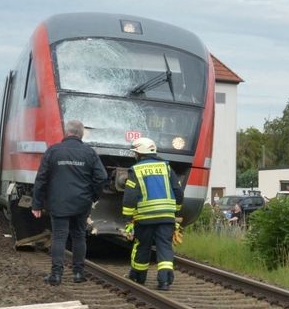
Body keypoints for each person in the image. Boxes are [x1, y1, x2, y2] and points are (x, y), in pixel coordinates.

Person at [30, 119, 107, 285]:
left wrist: (37, 204)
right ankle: (78, 274)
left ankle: (56, 275)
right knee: (79, 236)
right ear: (81, 134)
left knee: (59, 237)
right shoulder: (89, 152)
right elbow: (102, 177)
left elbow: (41, 179)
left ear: (66, 132)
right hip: (82, 202)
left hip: (58, 203)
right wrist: (93, 196)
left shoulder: (53, 151)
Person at [122, 138, 183, 290]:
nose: (135, 155)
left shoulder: (135, 170)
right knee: (164, 246)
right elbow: (178, 191)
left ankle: (138, 277)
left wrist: (128, 217)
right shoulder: (166, 167)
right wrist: (175, 209)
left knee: (143, 246)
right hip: (167, 218)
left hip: (145, 218)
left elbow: (130, 195)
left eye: (135, 153)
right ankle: (165, 281)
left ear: (139, 153)